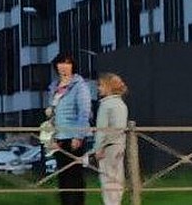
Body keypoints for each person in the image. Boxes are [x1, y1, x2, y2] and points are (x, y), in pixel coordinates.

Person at [46, 52, 92, 205]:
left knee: (74, 176)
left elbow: (84, 111)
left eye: (67, 63)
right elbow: (54, 111)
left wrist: (78, 136)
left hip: (73, 136)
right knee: (63, 176)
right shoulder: (54, 87)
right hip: (58, 136)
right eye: (60, 63)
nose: (63, 66)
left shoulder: (79, 86)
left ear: (73, 66)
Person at [93, 73, 129, 205]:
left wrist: (98, 148)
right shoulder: (121, 104)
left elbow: (102, 129)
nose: (99, 88)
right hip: (119, 145)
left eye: (101, 85)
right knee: (117, 178)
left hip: (108, 147)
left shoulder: (106, 105)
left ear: (109, 87)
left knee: (107, 179)